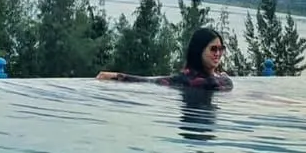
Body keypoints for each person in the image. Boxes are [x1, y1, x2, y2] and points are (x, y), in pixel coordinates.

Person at [96, 26, 234, 91]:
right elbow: (151, 81)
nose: (218, 53)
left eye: (221, 49)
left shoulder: (220, 79)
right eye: (213, 49)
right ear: (199, 51)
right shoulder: (189, 79)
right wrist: (118, 76)